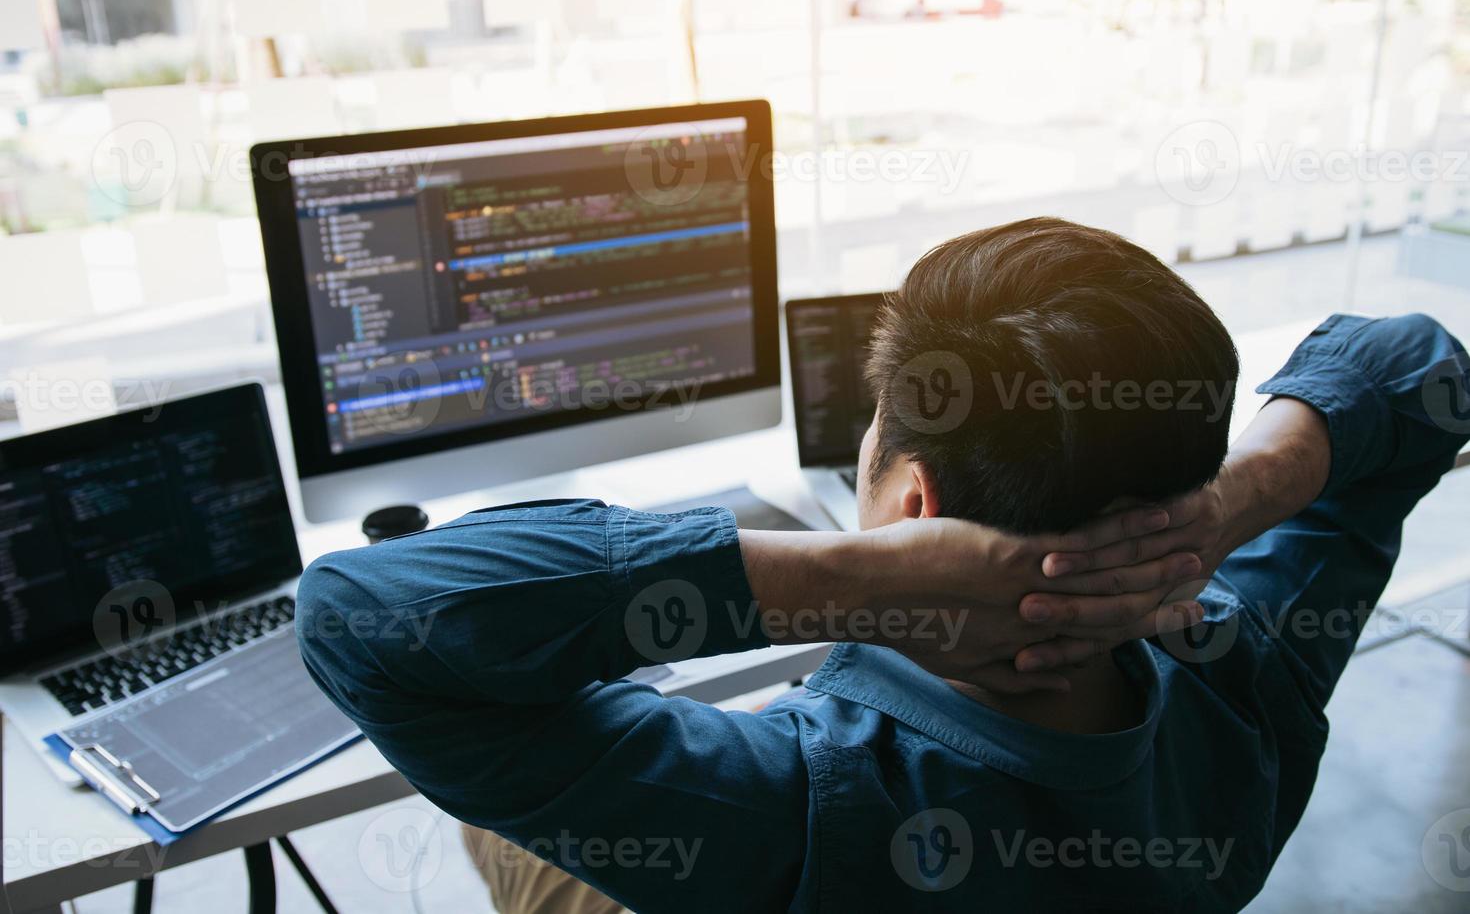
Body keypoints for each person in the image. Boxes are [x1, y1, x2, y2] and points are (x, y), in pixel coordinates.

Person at [296, 218, 1468, 912]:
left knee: (506, 808)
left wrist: (853, 581)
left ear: (916, 502)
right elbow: (1418, 366)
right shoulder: (1247, 666)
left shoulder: (805, 805)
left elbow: (359, 618)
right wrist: (1222, 512)